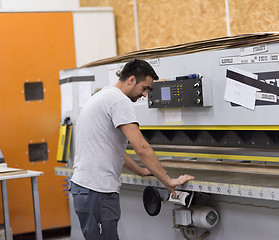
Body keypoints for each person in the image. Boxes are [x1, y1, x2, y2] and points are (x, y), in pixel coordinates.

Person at [70, 59, 195, 240]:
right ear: (131, 80)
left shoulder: (101, 96)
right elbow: (141, 148)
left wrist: (141, 171)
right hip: (98, 191)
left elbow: (113, 148)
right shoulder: (119, 101)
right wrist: (168, 180)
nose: (144, 95)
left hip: (85, 189)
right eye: (144, 88)